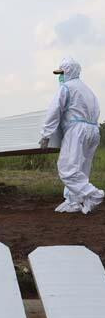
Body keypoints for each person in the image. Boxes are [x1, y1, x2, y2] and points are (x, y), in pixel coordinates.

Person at [40, 57, 103, 214]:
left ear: (69, 71)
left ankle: (94, 195)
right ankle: (73, 201)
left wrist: (46, 134)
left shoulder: (67, 88)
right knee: (81, 168)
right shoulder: (88, 90)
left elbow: (54, 111)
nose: (60, 77)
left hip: (77, 130)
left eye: (62, 73)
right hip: (93, 130)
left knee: (67, 168)